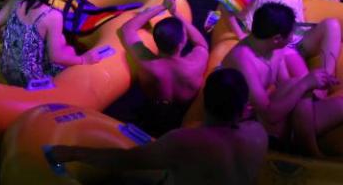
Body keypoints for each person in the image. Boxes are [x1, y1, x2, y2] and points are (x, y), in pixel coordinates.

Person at [48, 68, 268, 185]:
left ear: (205, 102)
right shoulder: (257, 134)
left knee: (125, 177)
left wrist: (73, 152)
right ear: (243, 108)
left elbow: (124, 160)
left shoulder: (185, 141)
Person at [223, 2, 343, 156]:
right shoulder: (243, 60)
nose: (293, 37)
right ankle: (309, 149)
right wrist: (306, 83)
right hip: (248, 125)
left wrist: (315, 82)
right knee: (299, 84)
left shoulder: (274, 49)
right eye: (291, 34)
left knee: (338, 104)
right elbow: (269, 115)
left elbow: (287, 87)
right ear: (277, 38)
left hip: (276, 117)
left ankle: (302, 139)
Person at [0, 0, 108, 88]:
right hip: (30, 79)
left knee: (64, 46)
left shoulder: (16, 1)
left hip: (6, 68)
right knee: (71, 52)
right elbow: (56, 57)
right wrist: (84, 60)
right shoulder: (52, 16)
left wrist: (8, 45)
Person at [119, 0, 209, 135]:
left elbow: (127, 28)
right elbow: (201, 43)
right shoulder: (195, 63)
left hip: (152, 113)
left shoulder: (145, 61)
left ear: (156, 41)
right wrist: (177, 14)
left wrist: (162, 6)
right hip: (186, 115)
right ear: (182, 43)